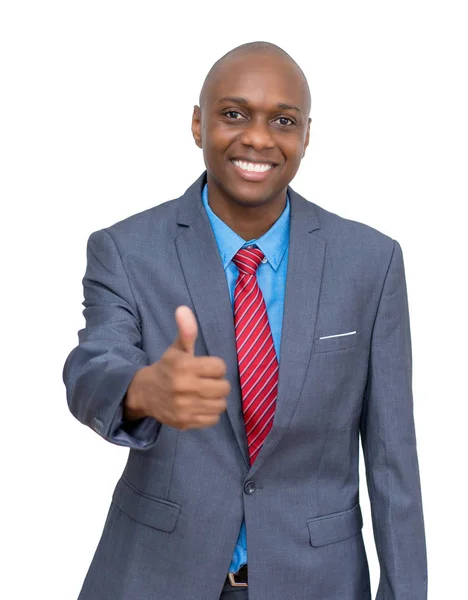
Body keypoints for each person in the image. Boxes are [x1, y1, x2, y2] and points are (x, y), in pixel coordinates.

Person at [63, 41, 427, 600]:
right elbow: (93, 368)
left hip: (316, 583)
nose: (258, 138)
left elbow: (392, 457)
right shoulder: (127, 250)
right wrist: (141, 390)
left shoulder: (370, 263)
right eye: (234, 114)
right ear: (196, 124)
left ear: (306, 136)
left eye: (283, 120)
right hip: (156, 577)